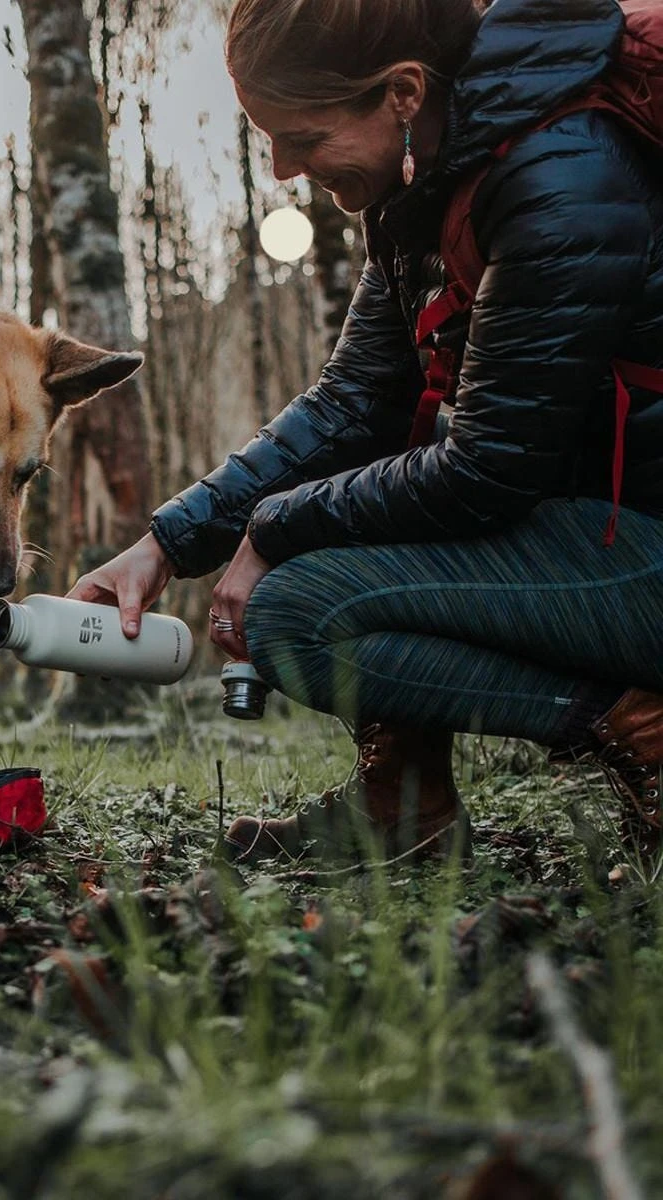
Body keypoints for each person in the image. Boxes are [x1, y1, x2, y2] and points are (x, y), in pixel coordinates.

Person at [68, 0, 663, 864]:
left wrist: (276, 526)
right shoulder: (427, 188)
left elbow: (487, 470)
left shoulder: (559, 178)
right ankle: (406, 805)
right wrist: (166, 543)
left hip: (642, 540)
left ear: (403, 93)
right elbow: (351, 406)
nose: (281, 169)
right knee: (319, 558)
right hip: (606, 531)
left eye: (302, 137)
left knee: (296, 610)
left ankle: (644, 728)